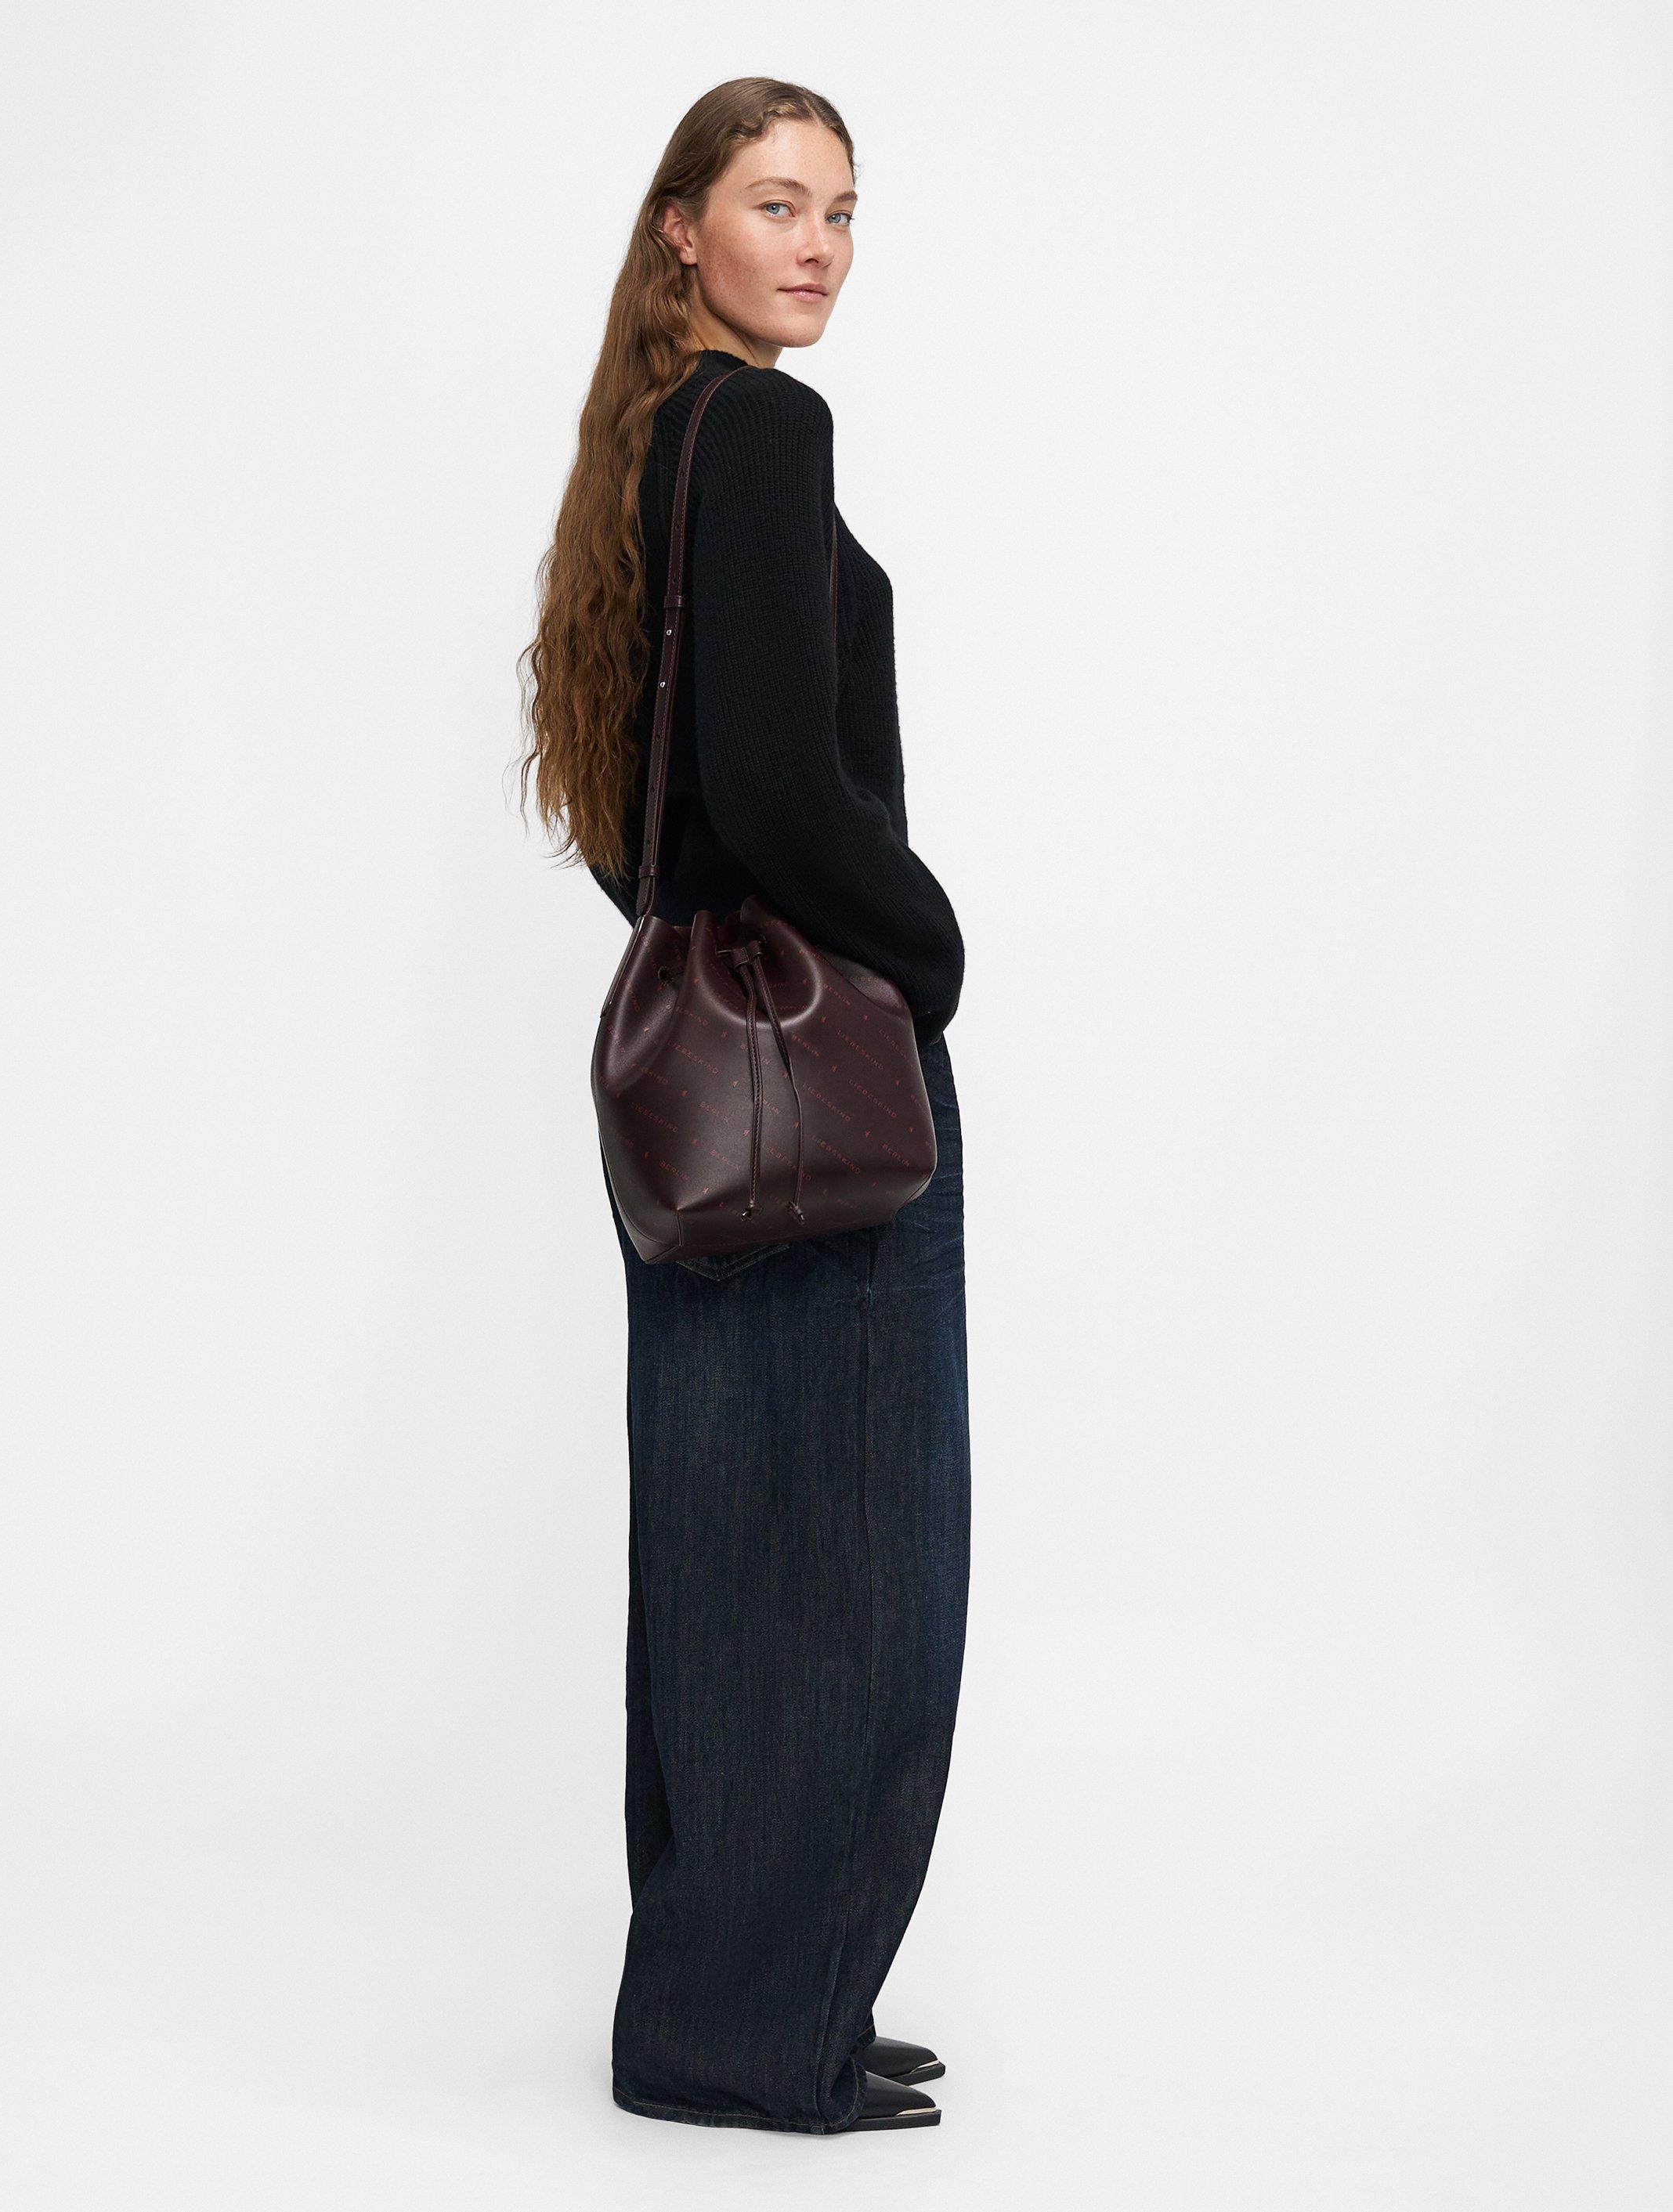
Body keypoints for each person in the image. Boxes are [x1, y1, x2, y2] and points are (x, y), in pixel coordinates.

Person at [519, 78, 970, 2136]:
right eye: (777, 203)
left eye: (844, 211)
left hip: (701, 1080)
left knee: (725, 1556)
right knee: (858, 1557)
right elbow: (785, 792)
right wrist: (927, 947)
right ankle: (770, 2022)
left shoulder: (654, 445)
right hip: (826, 1070)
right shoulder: (765, 435)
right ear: (680, 228)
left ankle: (736, 2001)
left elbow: (643, 816)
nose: (820, 246)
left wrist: (717, 913)